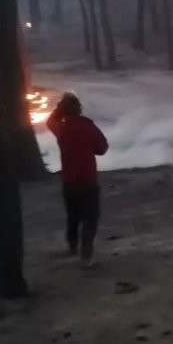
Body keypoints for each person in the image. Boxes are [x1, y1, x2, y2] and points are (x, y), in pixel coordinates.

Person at [46, 93, 109, 267]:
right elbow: (102, 148)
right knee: (91, 217)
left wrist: (57, 111)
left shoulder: (62, 129)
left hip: (69, 180)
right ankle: (86, 255)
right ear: (79, 109)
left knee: (73, 215)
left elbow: (50, 122)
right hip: (88, 179)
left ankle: (73, 247)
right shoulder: (88, 127)